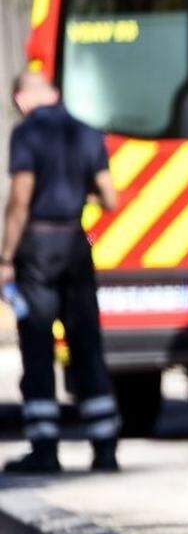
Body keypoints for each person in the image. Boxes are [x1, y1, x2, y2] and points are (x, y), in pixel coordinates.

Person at [2, 71, 122, 473]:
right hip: (75, 243)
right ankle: (105, 448)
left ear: (21, 98)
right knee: (86, 341)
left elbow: (20, 198)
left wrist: (5, 256)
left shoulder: (26, 135)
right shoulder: (88, 133)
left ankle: (45, 448)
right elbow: (110, 198)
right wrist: (77, 192)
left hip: (37, 246)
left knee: (38, 343)